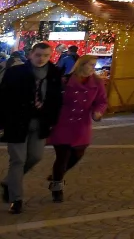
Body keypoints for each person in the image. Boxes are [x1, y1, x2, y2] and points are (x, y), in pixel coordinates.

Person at [0, 42, 63, 214]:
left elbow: (56, 100)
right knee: (18, 160)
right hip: (17, 122)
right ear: (30, 55)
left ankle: (9, 182)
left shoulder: (54, 73)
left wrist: (53, 120)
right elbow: (3, 97)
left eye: (45, 55)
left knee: (36, 156)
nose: (41, 58)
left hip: (40, 123)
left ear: (50, 56)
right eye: (38, 55)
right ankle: (16, 199)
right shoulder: (16, 72)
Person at [45, 55, 107, 203]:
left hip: (82, 123)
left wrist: (97, 112)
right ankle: (57, 188)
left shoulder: (97, 82)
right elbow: (53, 99)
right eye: (90, 65)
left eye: (94, 65)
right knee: (62, 156)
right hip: (64, 122)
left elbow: (101, 101)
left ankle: (56, 175)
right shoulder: (66, 80)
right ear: (81, 65)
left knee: (78, 154)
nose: (93, 68)